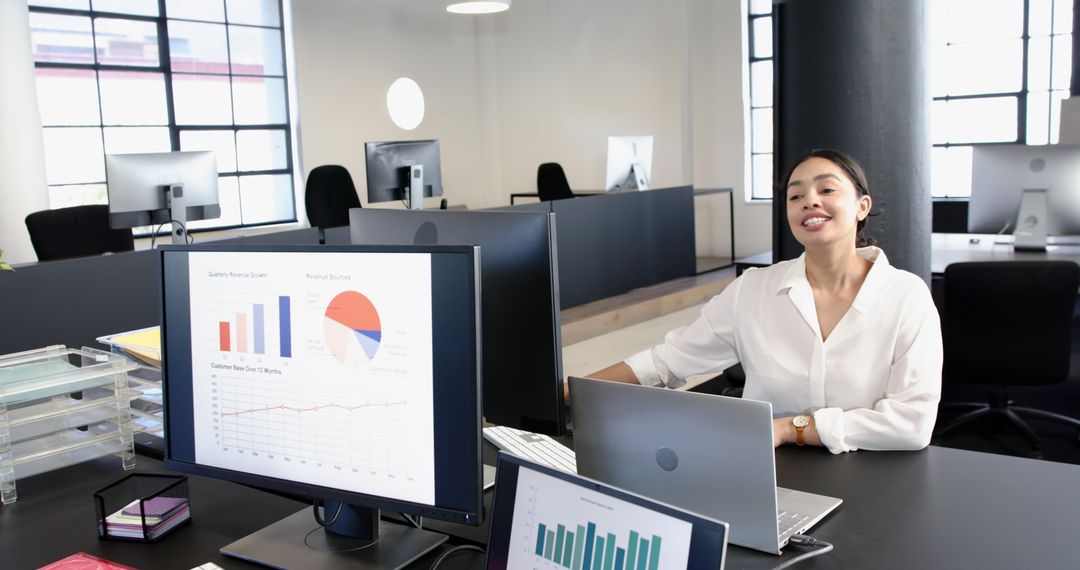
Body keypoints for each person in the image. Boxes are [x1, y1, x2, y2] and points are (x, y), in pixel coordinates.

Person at [585, 149, 942, 453]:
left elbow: (911, 424)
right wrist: (575, 389)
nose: (810, 201)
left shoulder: (905, 296)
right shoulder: (753, 290)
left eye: (827, 189)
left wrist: (791, 428)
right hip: (768, 468)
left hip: (875, 470)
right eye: (796, 196)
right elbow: (668, 361)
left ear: (862, 206)